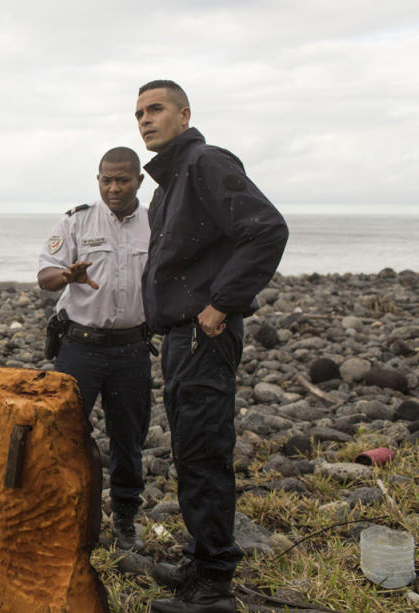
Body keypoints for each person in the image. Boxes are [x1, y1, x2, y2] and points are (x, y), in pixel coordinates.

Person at [135, 81, 288, 613]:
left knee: (204, 454)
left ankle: (215, 586)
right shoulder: (167, 185)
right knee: (190, 452)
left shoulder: (204, 163)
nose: (145, 120)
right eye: (139, 113)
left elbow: (266, 229)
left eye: (156, 110)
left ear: (184, 114)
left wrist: (222, 303)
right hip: (181, 338)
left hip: (205, 334)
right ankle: (203, 560)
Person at [37, 147, 152, 553]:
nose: (113, 187)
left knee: (128, 440)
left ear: (139, 180)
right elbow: (45, 276)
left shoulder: (156, 223)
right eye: (106, 180)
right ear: (98, 180)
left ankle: (124, 521)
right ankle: (61, 518)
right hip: (80, 348)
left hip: (132, 349)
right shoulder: (78, 221)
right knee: (63, 435)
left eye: (122, 180)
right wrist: (67, 274)